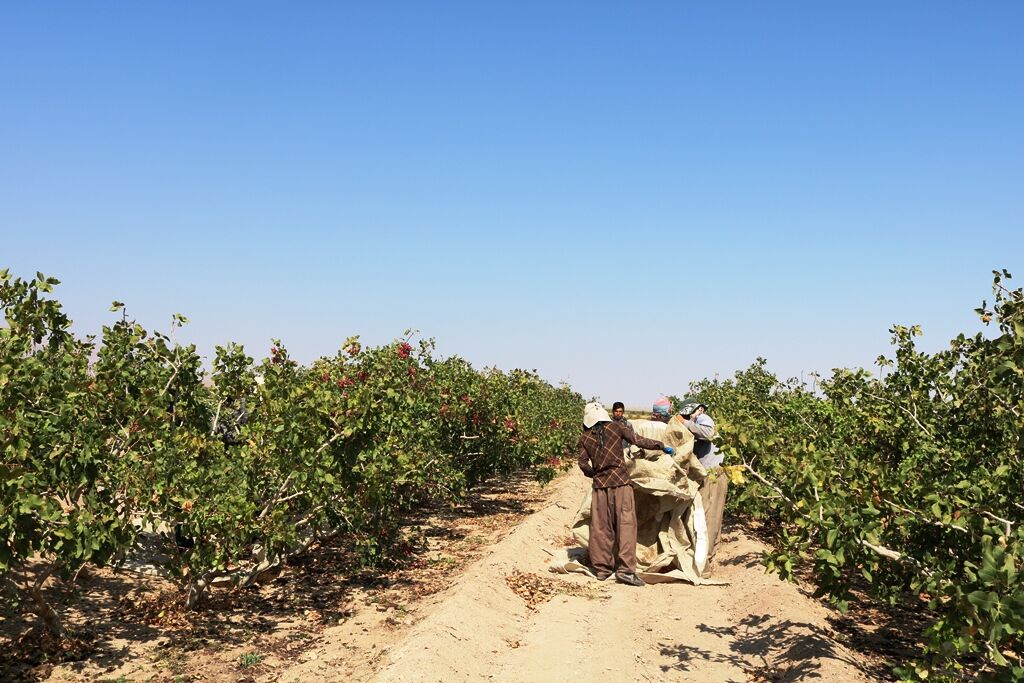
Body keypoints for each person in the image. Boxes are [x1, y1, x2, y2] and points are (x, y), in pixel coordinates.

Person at [577, 401, 674, 587]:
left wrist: (595, 474)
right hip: (621, 483)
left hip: (600, 488)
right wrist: (661, 445)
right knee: (626, 525)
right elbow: (639, 440)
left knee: (600, 528)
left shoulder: (585, 438)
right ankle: (626, 571)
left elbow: (582, 464)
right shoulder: (617, 427)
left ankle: (602, 570)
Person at [678, 398, 728, 576]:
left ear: (697, 410)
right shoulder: (695, 422)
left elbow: (708, 433)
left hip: (713, 476)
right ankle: (703, 556)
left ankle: (705, 559)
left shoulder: (703, 419)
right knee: (702, 515)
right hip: (705, 475)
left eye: (688, 413)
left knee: (709, 516)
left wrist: (685, 422)